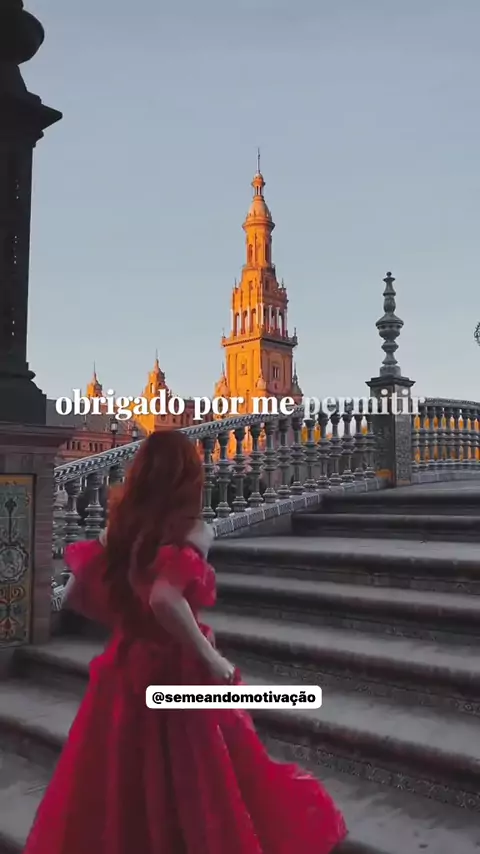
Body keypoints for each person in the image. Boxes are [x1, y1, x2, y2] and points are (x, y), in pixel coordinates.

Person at [24, 430, 347, 854]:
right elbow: (164, 599)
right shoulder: (191, 531)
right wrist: (210, 657)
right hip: (177, 668)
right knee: (195, 770)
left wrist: (130, 624)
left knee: (124, 772)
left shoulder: (117, 530)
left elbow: (75, 596)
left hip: (127, 662)